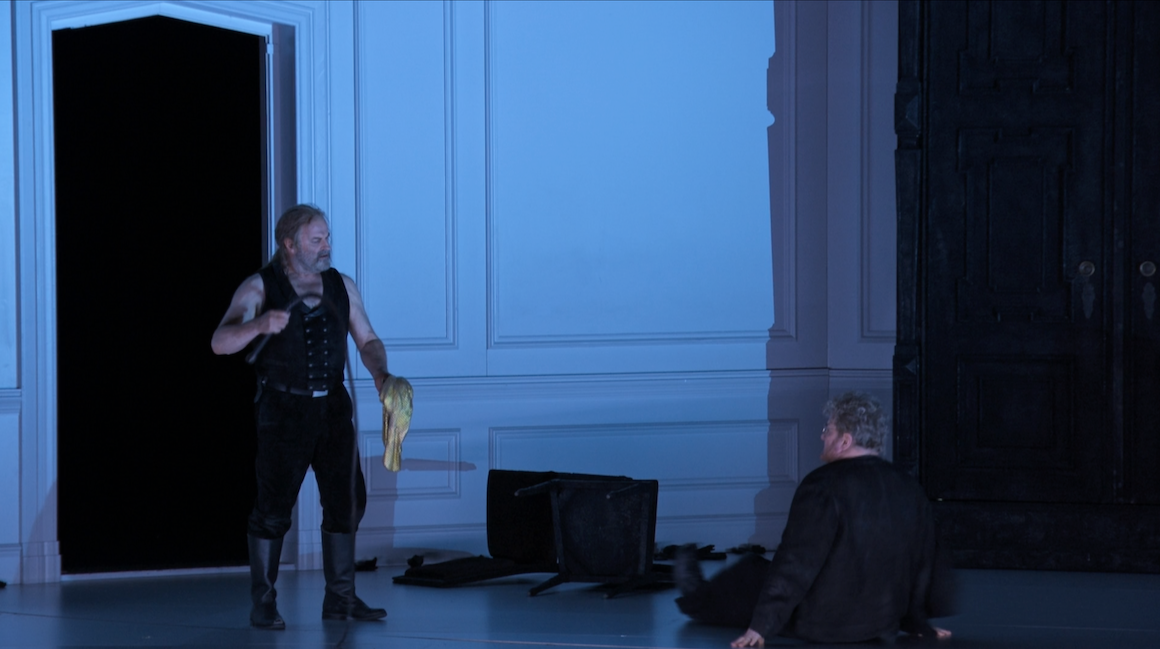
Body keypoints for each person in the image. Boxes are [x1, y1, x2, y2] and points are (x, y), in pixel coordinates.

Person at [212, 204, 389, 629]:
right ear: (289, 244)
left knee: (348, 502)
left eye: (327, 238)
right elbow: (220, 342)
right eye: (317, 240)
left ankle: (340, 599)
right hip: (283, 412)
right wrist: (258, 326)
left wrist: (382, 375)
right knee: (273, 510)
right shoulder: (261, 286)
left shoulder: (341, 285)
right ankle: (264, 602)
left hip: (332, 410)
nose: (327, 246)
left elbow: (367, 339)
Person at [673, 392, 955, 645]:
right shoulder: (909, 487)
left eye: (827, 430)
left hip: (827, 626)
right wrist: (917, 623)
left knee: (751, 572)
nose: (822, 437)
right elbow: (922, 563)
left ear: (845, 441)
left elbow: (796, 562)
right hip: (882, 625)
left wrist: (761, 627)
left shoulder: (823, 485)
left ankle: (696, 596)